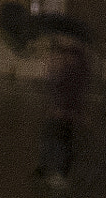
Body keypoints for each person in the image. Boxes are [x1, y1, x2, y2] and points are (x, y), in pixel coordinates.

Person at [36, 38, 90, 187]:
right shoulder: (68, 68)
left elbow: (71, 93)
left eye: (69, 55)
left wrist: (62, 109)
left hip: (66, 113)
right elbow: (55, 88)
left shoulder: (76, 71)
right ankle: (46, 169)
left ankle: (60, 174)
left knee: (63, 143)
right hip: (61, 111)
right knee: (53, 140)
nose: (66, 57)